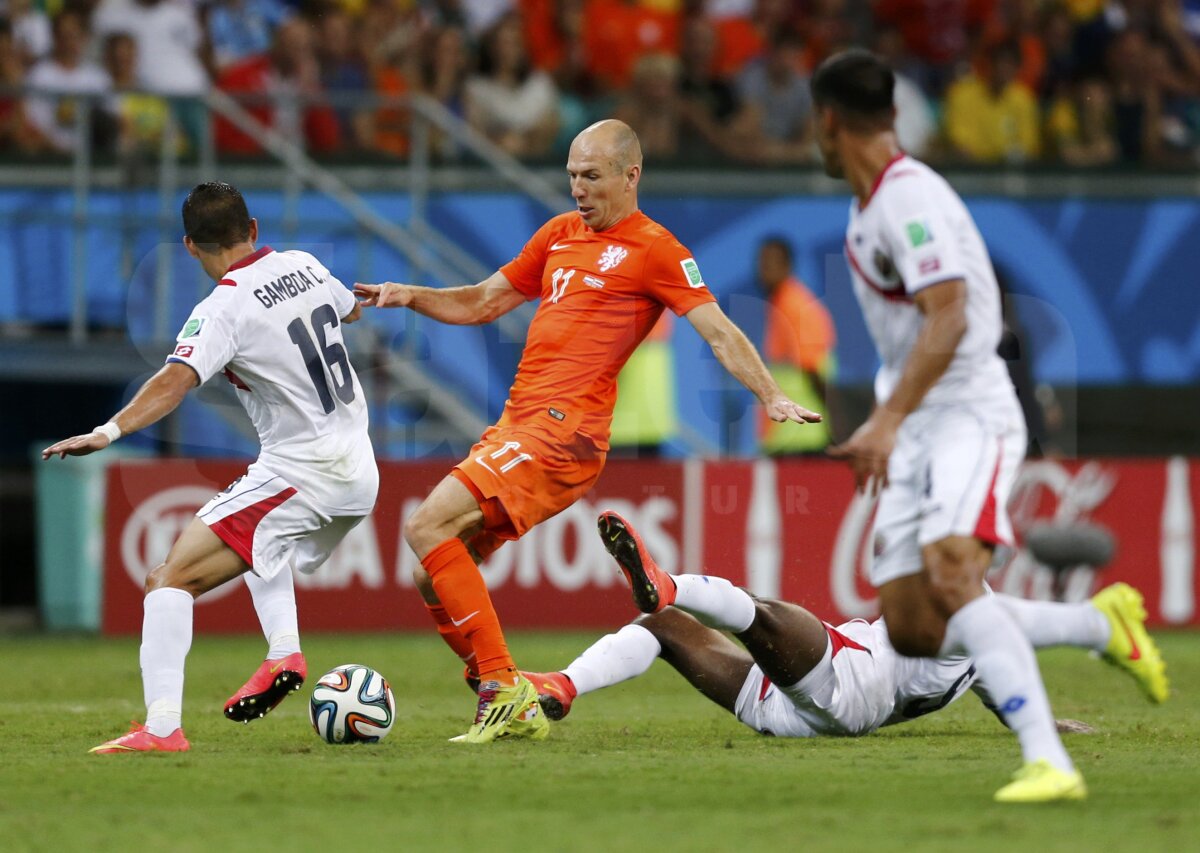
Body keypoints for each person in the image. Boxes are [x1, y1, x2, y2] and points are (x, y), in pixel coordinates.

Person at [354, 119, 821, 744]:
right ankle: (505, 689)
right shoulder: (557, 235)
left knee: (424, 525)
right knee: (432, 569)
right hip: (517, 423)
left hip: (562, 433)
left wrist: (771, 394)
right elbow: (483, 301)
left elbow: (718, 331)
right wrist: (409, 294)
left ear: (631, 176)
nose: (578, 188)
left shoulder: (657, 248)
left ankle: (501, 689)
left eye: (592, 176)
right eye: (572, 175)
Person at [809, 49, 1083, 802]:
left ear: (826, 122)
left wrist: (886, 420)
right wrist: (894, 416)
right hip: (919, 419)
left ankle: (1048, 758)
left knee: (955, 569)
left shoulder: (907, 201)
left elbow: (952, 312)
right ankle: (1098, 624)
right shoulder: (870, 210)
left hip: (966, 411)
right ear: (890, 115)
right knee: (911, 628)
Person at [43, 182, 379, 753]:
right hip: (359, 468)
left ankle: (162, 729)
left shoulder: (222, 308)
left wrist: (108, 431)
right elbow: (348, 309)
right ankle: (283, 653)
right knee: (260, 545)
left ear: (190, 247)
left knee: (166, 579)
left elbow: (175, 379)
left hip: (304, 471)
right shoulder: (303, 263)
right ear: (252, 230)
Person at [526, 512, 1167, 752]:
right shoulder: (982, 629)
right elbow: (1000, 691)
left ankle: (673, 584)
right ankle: (562, 685)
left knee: (763, 613)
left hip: (850, 686)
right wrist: (1046, 725)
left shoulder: (965, 611)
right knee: (664, 630)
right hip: (784, 712)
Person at [755, 236, 835, 455]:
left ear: (787, 266)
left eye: (771, 264)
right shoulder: (781, 302)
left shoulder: (794, 305)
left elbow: (812, 367)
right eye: (761, 263)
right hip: (789, 432)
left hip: (801, 436)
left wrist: (835, 423)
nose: (763, 271)